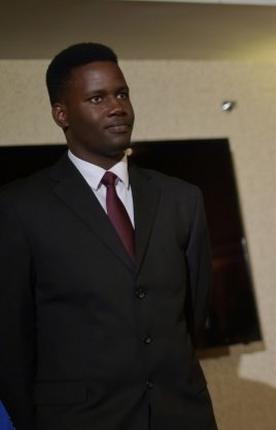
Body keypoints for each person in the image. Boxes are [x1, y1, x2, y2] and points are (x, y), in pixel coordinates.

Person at [0, 43, 217, 430]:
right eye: (97, 98)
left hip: (183, 415)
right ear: (61, 114)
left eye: (122, 94)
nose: (117, 107)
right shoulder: (19, 207)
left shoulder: (181, 198)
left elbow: (192, 314)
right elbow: (11, 342)